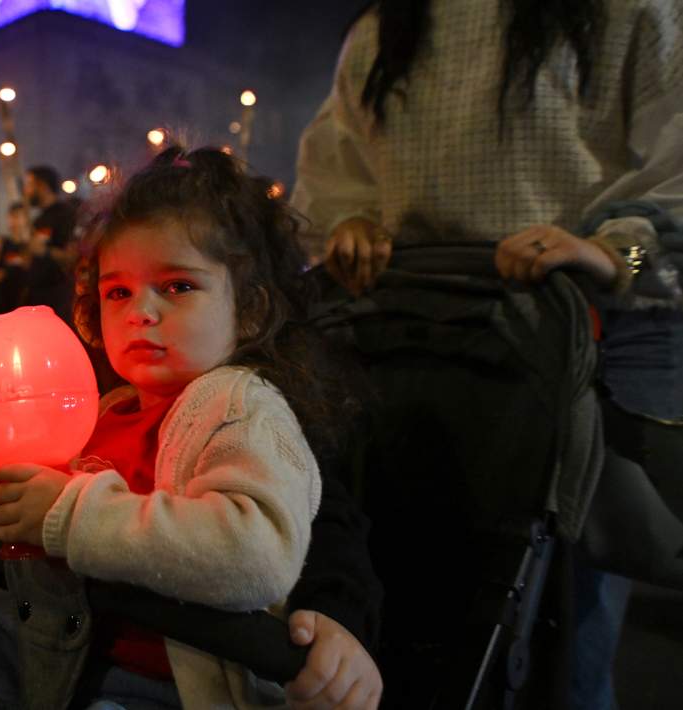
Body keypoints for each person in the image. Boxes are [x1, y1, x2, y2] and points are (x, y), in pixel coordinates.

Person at [0, 146, 381, 710]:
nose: (141, 311)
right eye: (119, 291)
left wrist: (65, 512)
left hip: (171, 683)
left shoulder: (239, 407)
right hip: (71, 656)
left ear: (250, 310)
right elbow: (51, 534)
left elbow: (263, 551)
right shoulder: (105, 412)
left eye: (178, 286)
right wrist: (1, 510)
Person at [291, 1, 683, 707]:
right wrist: (348, 222)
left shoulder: (634, 12)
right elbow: (334, 170)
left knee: (558, 631)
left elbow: (674, 182)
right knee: (426, 624)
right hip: (416, 360)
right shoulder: (384, 31)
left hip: (567, 367)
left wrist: (607, 250)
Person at [22, 164, 78, 315]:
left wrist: (45, 251)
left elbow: (73, 256)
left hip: (58, 299)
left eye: (29, 184)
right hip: (37, 297)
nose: (26, 190)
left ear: (42, 186)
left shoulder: (66, 214)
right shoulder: (39, 220)